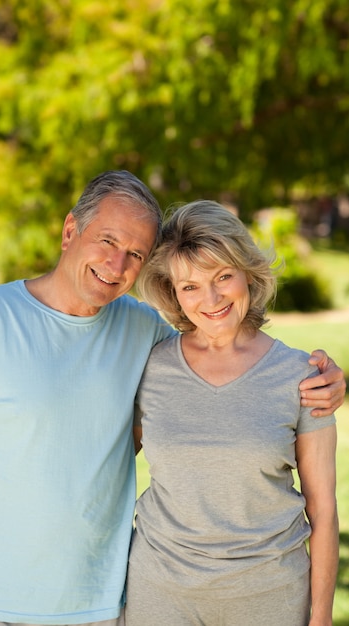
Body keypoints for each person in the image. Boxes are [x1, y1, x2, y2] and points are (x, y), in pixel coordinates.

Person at [0, 174, 343, 626]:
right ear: (70, 231)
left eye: (135, 254)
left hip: (104, 607)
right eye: (107, 240)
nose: (115, 263)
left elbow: (220, 367)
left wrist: (330, 380)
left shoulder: (144, 332)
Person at [126, 200, 339, 626]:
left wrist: (320, 618)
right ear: (172, 292)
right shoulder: (148, 367)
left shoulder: (301, 376)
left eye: (223, 277)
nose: (211, 299)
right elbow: (98, 465)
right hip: (161, 595)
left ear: (247, 273)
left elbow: (324, 510)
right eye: (190, 287)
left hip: (271, 596)